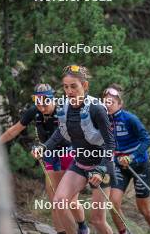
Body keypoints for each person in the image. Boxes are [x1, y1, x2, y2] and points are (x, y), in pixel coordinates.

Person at [35, 65, 116, 234]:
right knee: (59, 202)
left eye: (74, 86)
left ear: (84, 86)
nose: (69, 91)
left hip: (102, 166)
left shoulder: (96, 108)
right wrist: (44, 147)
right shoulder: (65, 107)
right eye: (65, 87)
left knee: (98, 221)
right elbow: (60, 133)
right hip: (79, 164)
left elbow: (110, 143)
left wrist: (100, 169)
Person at [0, 83, 88, 234]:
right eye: (37, 101)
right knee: (55, 199)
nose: (41, 106)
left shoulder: (63, 109)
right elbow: (13, 131)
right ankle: (61, 231)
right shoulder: (34, 111)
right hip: (49, 154)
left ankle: (82, 226)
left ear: (52, 98)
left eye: (45, 101)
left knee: (71, 201)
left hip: (68, 153)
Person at [102, 83, 150, 234]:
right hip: (119, 167)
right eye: (105, 102)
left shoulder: (130, 119)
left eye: (111, 102)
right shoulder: (103, 120)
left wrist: (131, 157)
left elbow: (146, 139)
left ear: (120, 104)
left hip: (139, 165)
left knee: (143, 209)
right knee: (113, 204)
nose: (107, 105)